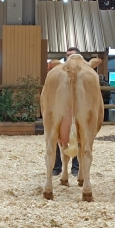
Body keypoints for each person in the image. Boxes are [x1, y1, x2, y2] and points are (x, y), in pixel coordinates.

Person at [52, 47, 80, 177]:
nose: (70, 58)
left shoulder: (83, 72)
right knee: (58, 137)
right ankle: (57, 167)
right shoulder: (60, 71)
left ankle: (76, 168)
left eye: (73, 55)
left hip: (78, 107)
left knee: (78, 136)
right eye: (68, 55)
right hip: (62, 107)